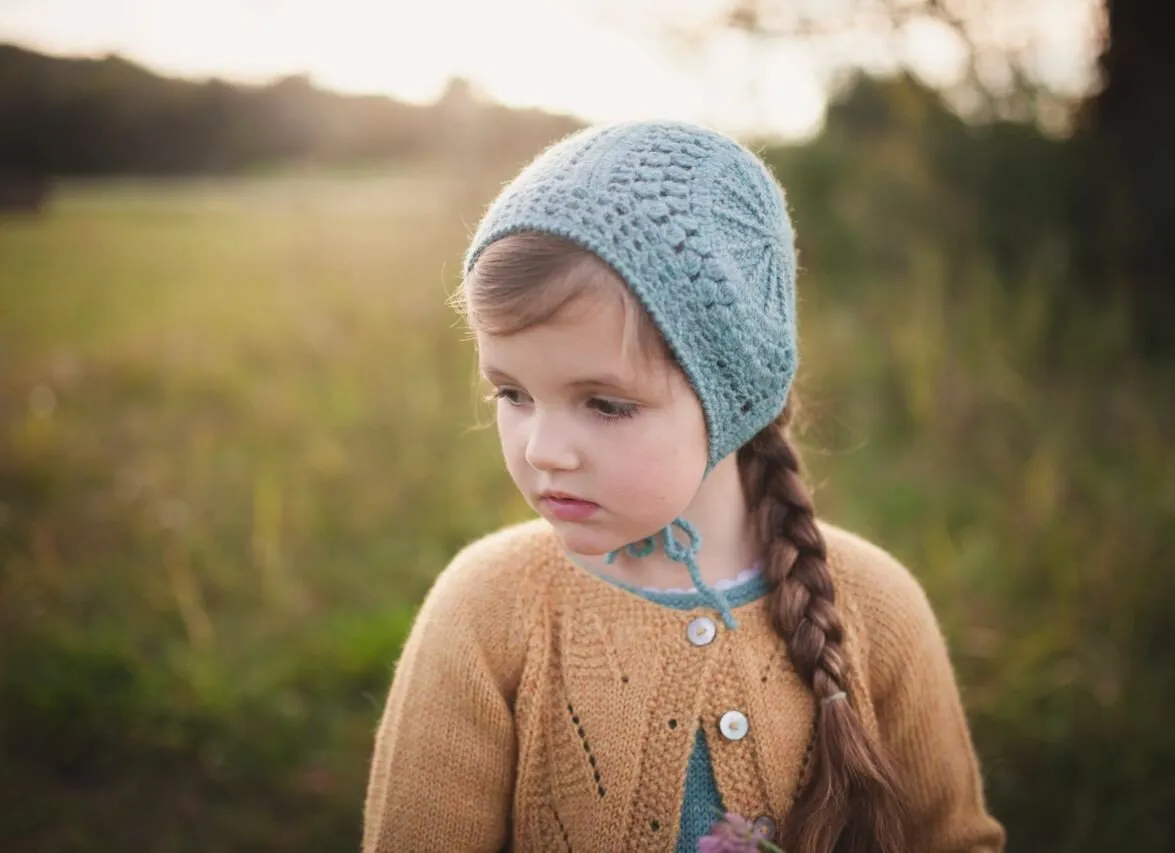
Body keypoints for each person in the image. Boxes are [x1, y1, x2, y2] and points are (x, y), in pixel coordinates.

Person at [361, 120, 1005, 853]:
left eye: (605, 403)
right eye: (510, 393)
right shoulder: (486, 612)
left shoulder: (876, 609)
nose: (542, 449)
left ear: (734, 391)